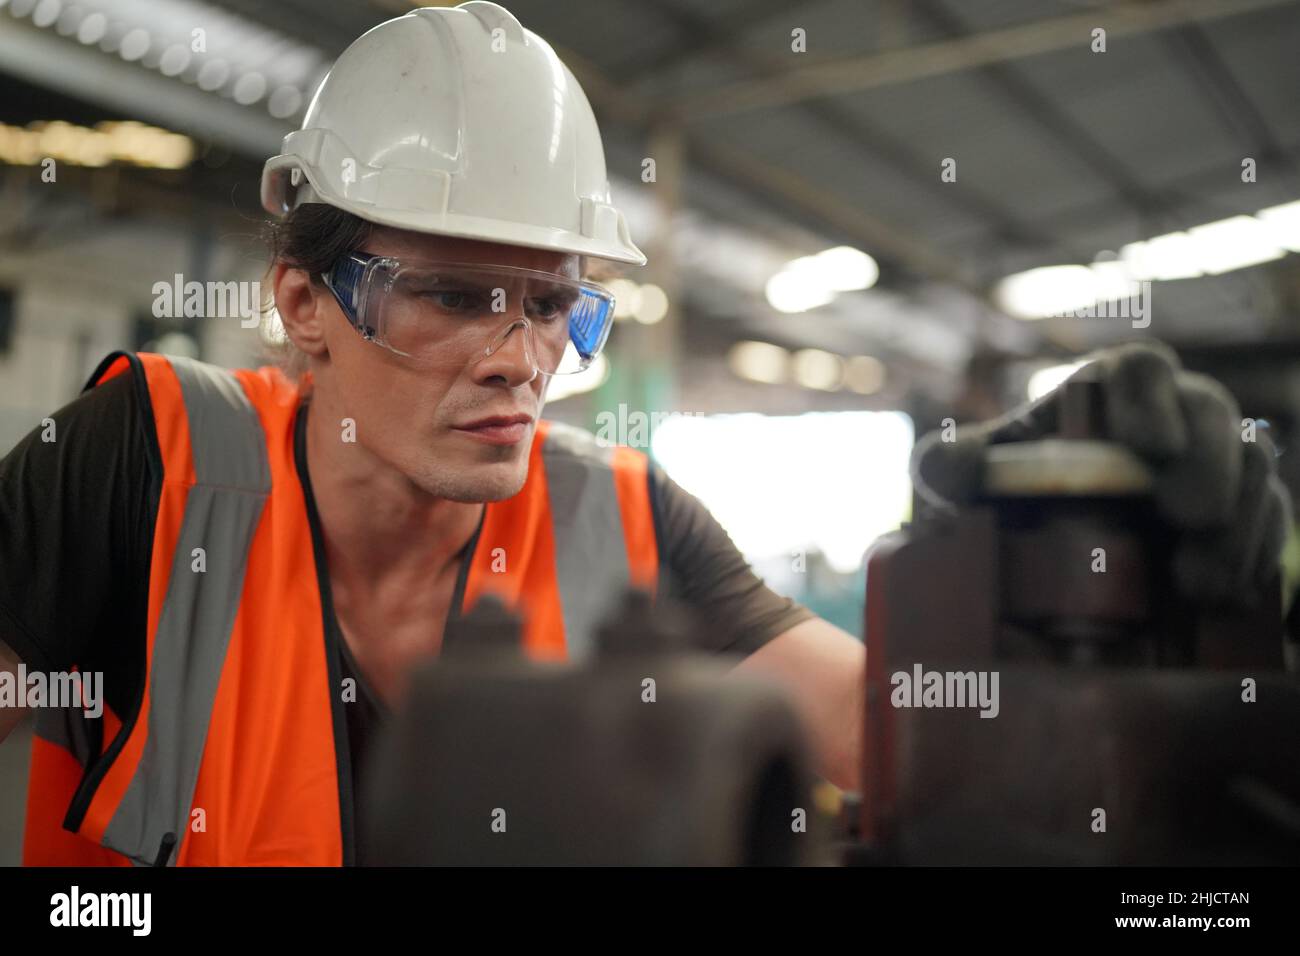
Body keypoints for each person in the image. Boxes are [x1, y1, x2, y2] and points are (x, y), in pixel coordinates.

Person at [0, 2, 864, 866]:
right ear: (305, 302)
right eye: (453, 297)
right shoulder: (145, 465)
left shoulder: (628, 516)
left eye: (552, 305)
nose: (518, 361)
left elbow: (876, 726)